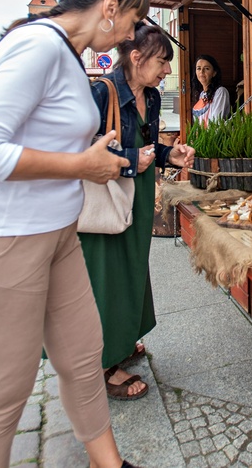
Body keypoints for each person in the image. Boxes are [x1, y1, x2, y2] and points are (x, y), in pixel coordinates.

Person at [0, 0, 149, 468]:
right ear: (108, 6)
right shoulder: (38, 46)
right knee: (0, 402)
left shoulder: (60, 50)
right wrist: (81, 164)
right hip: (2, 242)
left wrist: (90, 160)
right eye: (131, 20)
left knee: (83, 360)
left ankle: (112, 465)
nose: (129, 35)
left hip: (57, 236)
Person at [81, 23, 195, 400]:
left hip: (139, 193)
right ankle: (103, 365)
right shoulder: (101, 92)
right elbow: (78, 152)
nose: (166, 70)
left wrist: (168, 154)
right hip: (108, 196)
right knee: (107, 276)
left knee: (132, 267)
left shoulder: (153, 96)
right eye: (162, 61)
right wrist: (132, 161)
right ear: (136, 57)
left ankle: (123, 339)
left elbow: (149, 147)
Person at [191, 54, 230, 124]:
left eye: (206, 68)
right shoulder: (202, 94)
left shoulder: (221, 92)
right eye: (199, 68)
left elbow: (216, 122)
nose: (201, 72)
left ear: (214, 73)